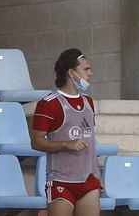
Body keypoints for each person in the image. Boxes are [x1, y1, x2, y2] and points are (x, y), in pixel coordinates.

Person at [31, 49, 100, 216]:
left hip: (88, 180)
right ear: (71, 73)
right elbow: (36, 142)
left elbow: (91, 142)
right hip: (61, 180)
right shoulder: (49, 104)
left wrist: (98, 175)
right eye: (86, 69)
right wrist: (65, 144)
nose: (90, 73)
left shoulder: (89, 102)